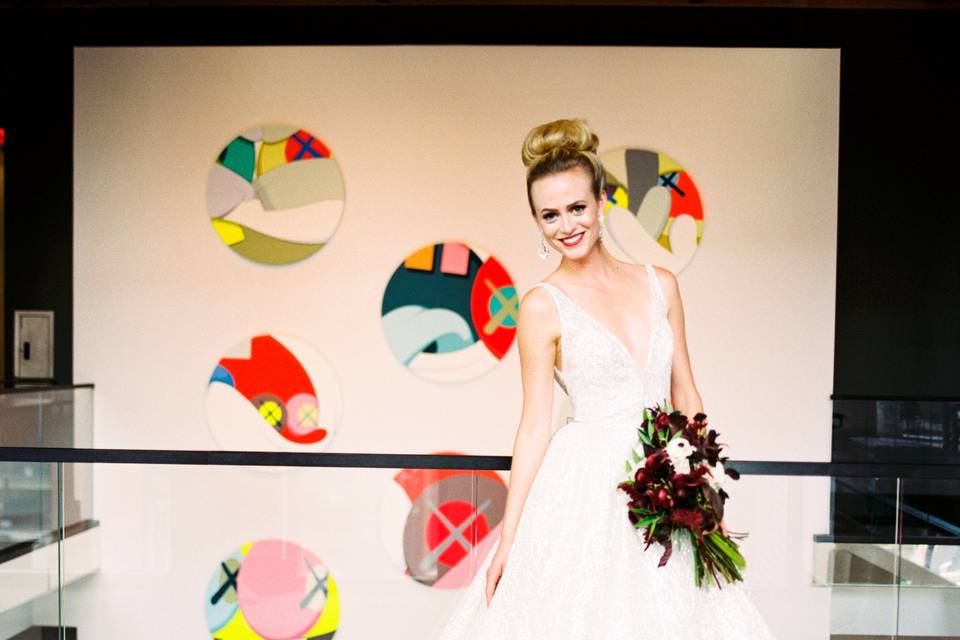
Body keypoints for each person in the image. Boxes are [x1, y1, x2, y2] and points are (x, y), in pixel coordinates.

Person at [434, 118, 777, 639]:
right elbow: (533, 427)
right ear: (537, 222)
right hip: (581, 487)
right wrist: (509, 539)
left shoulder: (661, 284)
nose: (566, 225)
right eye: (550, 215)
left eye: (576, 208)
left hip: (664, 477)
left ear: (601, 203)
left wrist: (705, 489)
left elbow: (685, 391)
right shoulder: (541, 307)